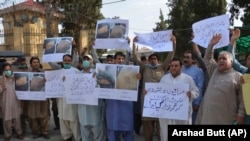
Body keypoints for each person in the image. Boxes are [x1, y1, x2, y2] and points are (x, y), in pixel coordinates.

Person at [132, 35, 176, 141]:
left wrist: (174, 43)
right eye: (151, 59)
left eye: (155, 59)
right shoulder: (144, 68)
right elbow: (136, 58)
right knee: (148, 129)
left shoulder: (162, 67)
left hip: (160, 101)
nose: (153, 60)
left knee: (160, 126)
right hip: (147, 101)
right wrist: (134, 44)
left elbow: (170, 56)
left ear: (158, 60)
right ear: (149, 60)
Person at [195, 34, 245, 125]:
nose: (221, 60)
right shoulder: (214, 70)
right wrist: (211, 45)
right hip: (206, 116)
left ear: (231, 62)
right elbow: (207, 58)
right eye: (219, 59)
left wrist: (241, 114)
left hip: (225, 117)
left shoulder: (238, 76)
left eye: (224, 59)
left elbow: (242, 98)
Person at [158, 58, 199, 141]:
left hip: (182, 115)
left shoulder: (188, 79)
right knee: (166, 135)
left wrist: (190, 94)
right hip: (167, 115)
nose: (173, 68)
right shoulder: (164, 79)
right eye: (172, 66)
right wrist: (149, 93)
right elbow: (158, 93)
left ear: (181, 67)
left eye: (176, 66)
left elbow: (196, 92)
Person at [105, 51, 140, 141]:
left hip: (126, 105)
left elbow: (134, 86)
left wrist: (138, 78)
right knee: (113, 128)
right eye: (118, 59)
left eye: (122, 59)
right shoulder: (108, 71)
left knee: (127, 128)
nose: (120, 60)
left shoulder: (131, 71)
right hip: (113, 105)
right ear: (114, 60)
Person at [78, 55, 106, 140]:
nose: (86, 61)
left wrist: (97, 79)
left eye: (88, 59)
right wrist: (66, 80)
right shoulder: (78, 74)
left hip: (95, 108)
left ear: (92, 61)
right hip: (83, 108)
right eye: (84, 59)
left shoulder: (97, 73)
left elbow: (104, 85)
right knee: (85, 133)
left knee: (97, 132)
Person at [226, 28, 250, 124]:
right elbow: (232, 60)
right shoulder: (244, 72)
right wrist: (232, 41)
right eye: (249, 59)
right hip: (245, 115)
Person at [56, 54, 81, 141]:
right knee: (63, 119)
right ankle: (67, 136)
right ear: (62, 62)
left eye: (68, 60)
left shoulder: (76, 71)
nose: (66, 62)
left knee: (73, 119)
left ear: (71, 61)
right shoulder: (58, 72)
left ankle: (77, 137)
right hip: (62, 99)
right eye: (65, 60)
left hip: (72, 101)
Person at [27, 57, 50, 139]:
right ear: (31, 64)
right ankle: (36, 132)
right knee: (33, 115)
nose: (36, 64)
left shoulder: (45, 73)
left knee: (44, 115)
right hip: (32, 99)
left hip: (43, 98)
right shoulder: (27, 73)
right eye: (34, 62)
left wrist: (48, 81)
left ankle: (45, 131)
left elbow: (50, 83)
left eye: (37, 62)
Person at [0, 63, 24, 141]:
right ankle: (7, 134)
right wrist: (4, 78)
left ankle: (19, 132)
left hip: (15, 101)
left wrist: (14, 79)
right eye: (6, 70)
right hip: (5, 102)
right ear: (3, 71)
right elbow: (1, 89)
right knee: (7, 119)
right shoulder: (1, 79)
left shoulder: (15, 78)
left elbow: (22, 88)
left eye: (9, 69)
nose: (8, 71)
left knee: (17, 118)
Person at [181, 50, 204, 124]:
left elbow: (200, 87)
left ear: (193, 60)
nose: (185, 59)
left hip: (192, 103)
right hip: (180, 103)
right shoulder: (179, 69)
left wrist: (197, 103)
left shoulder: (198, 71)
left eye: (188, 57)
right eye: (184, 57)